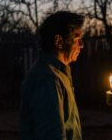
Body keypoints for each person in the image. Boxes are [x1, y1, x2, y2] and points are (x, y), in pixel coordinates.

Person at [20, 11, 84, 140]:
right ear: (59, 41)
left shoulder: (59, 73)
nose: (81, 45)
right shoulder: (46, 79)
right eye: (77, 39)